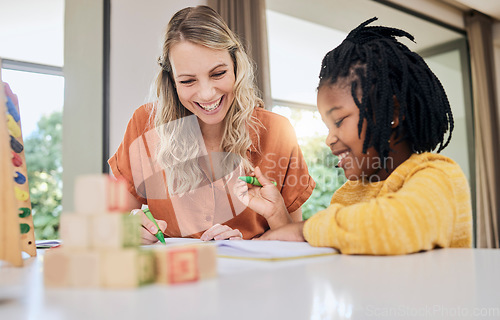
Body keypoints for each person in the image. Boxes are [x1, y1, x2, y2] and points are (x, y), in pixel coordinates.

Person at [238, 17, 472, 255]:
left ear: (392, 113)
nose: (329, 139)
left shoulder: (439, 176)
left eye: (338, 121)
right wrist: (277, 213)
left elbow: (395, 227)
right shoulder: (348, 194)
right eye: (328, 127)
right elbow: (330, 248)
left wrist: (302, 230)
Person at [108, 5, 315, 244]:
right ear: (172, 82)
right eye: (187, 81)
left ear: (236, 66)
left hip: (254, 277)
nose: (206, 94)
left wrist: (248, 242)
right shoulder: (144, 123)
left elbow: (294, 242)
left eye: (218, 74)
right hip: (174, 275)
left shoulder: (278, 131)